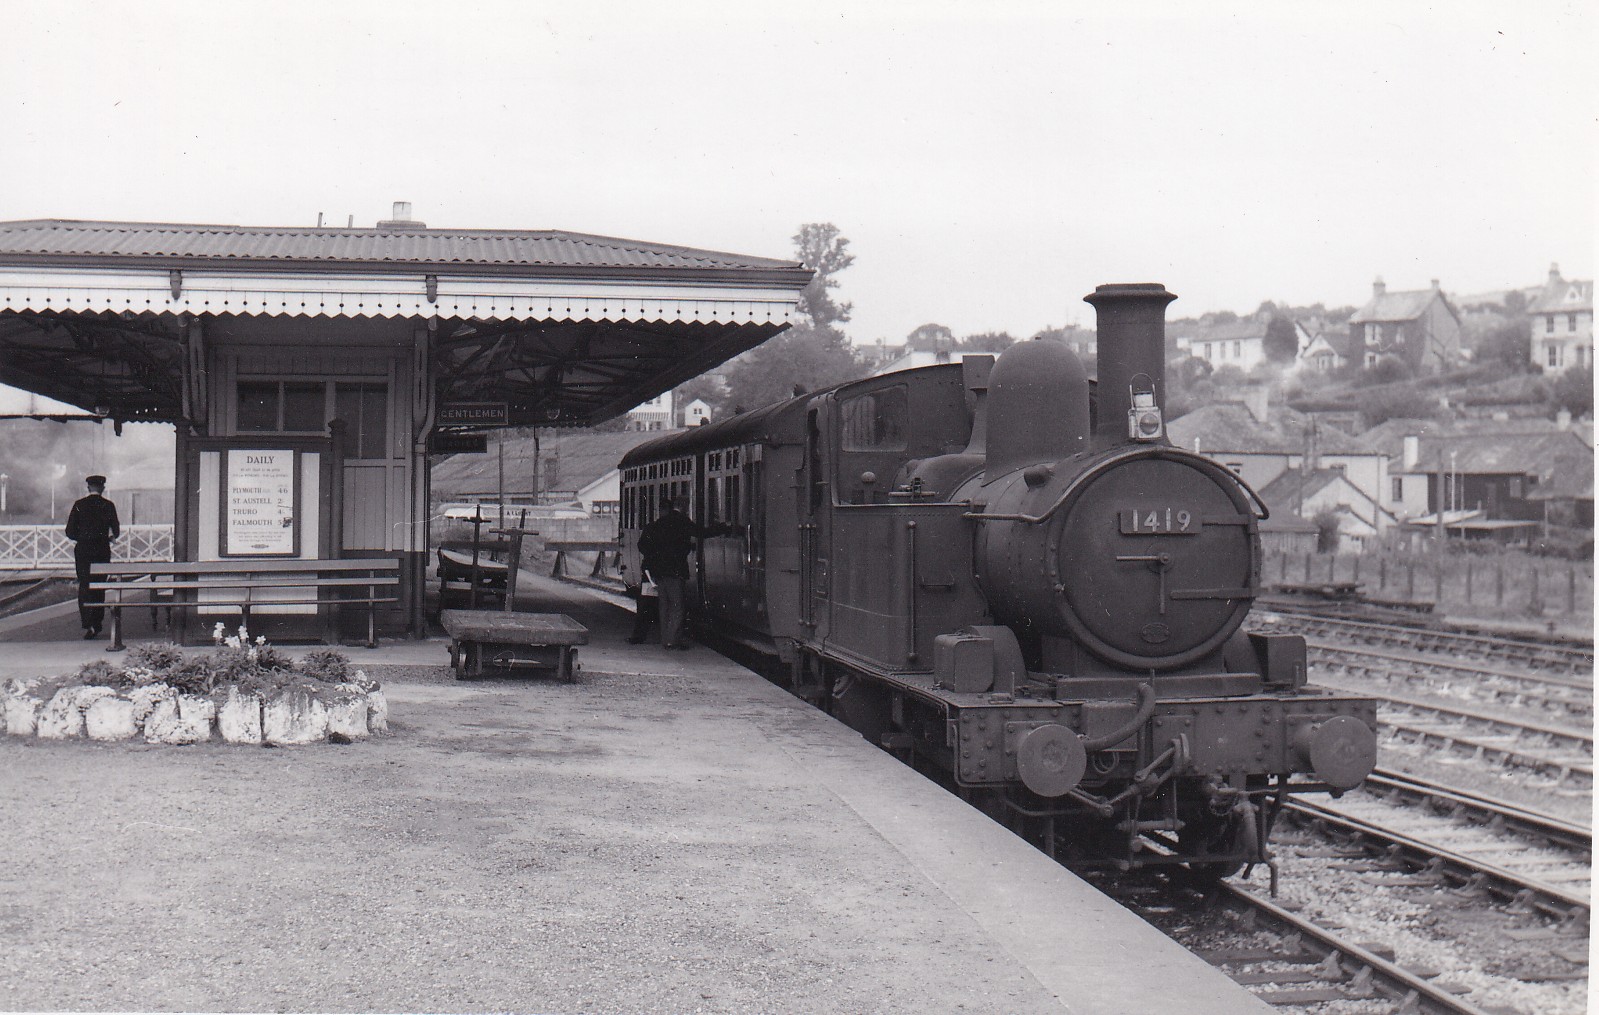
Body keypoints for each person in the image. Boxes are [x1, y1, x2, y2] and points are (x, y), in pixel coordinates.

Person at [634, 495, 726, 650]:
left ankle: (665, 639)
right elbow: (701, 532)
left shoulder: (659, 523)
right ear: (683, 506)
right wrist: (723, 528)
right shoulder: (681, 521)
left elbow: (646, 545)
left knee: (664, 606)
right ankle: (673, 640)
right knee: (677, 606)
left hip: (659, 572)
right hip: (675, 571)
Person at [65, 474, 120, 639]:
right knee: (99, 585)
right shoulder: (108, 505)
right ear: (103, 488)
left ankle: (88, 624)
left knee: (84, 585)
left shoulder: (79, 505)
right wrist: (107, 537)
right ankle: (97, 622)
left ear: (88, 487)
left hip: (83, 551)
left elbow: (69, 531)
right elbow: (115, 531)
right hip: (101, 550)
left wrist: (82, 537)